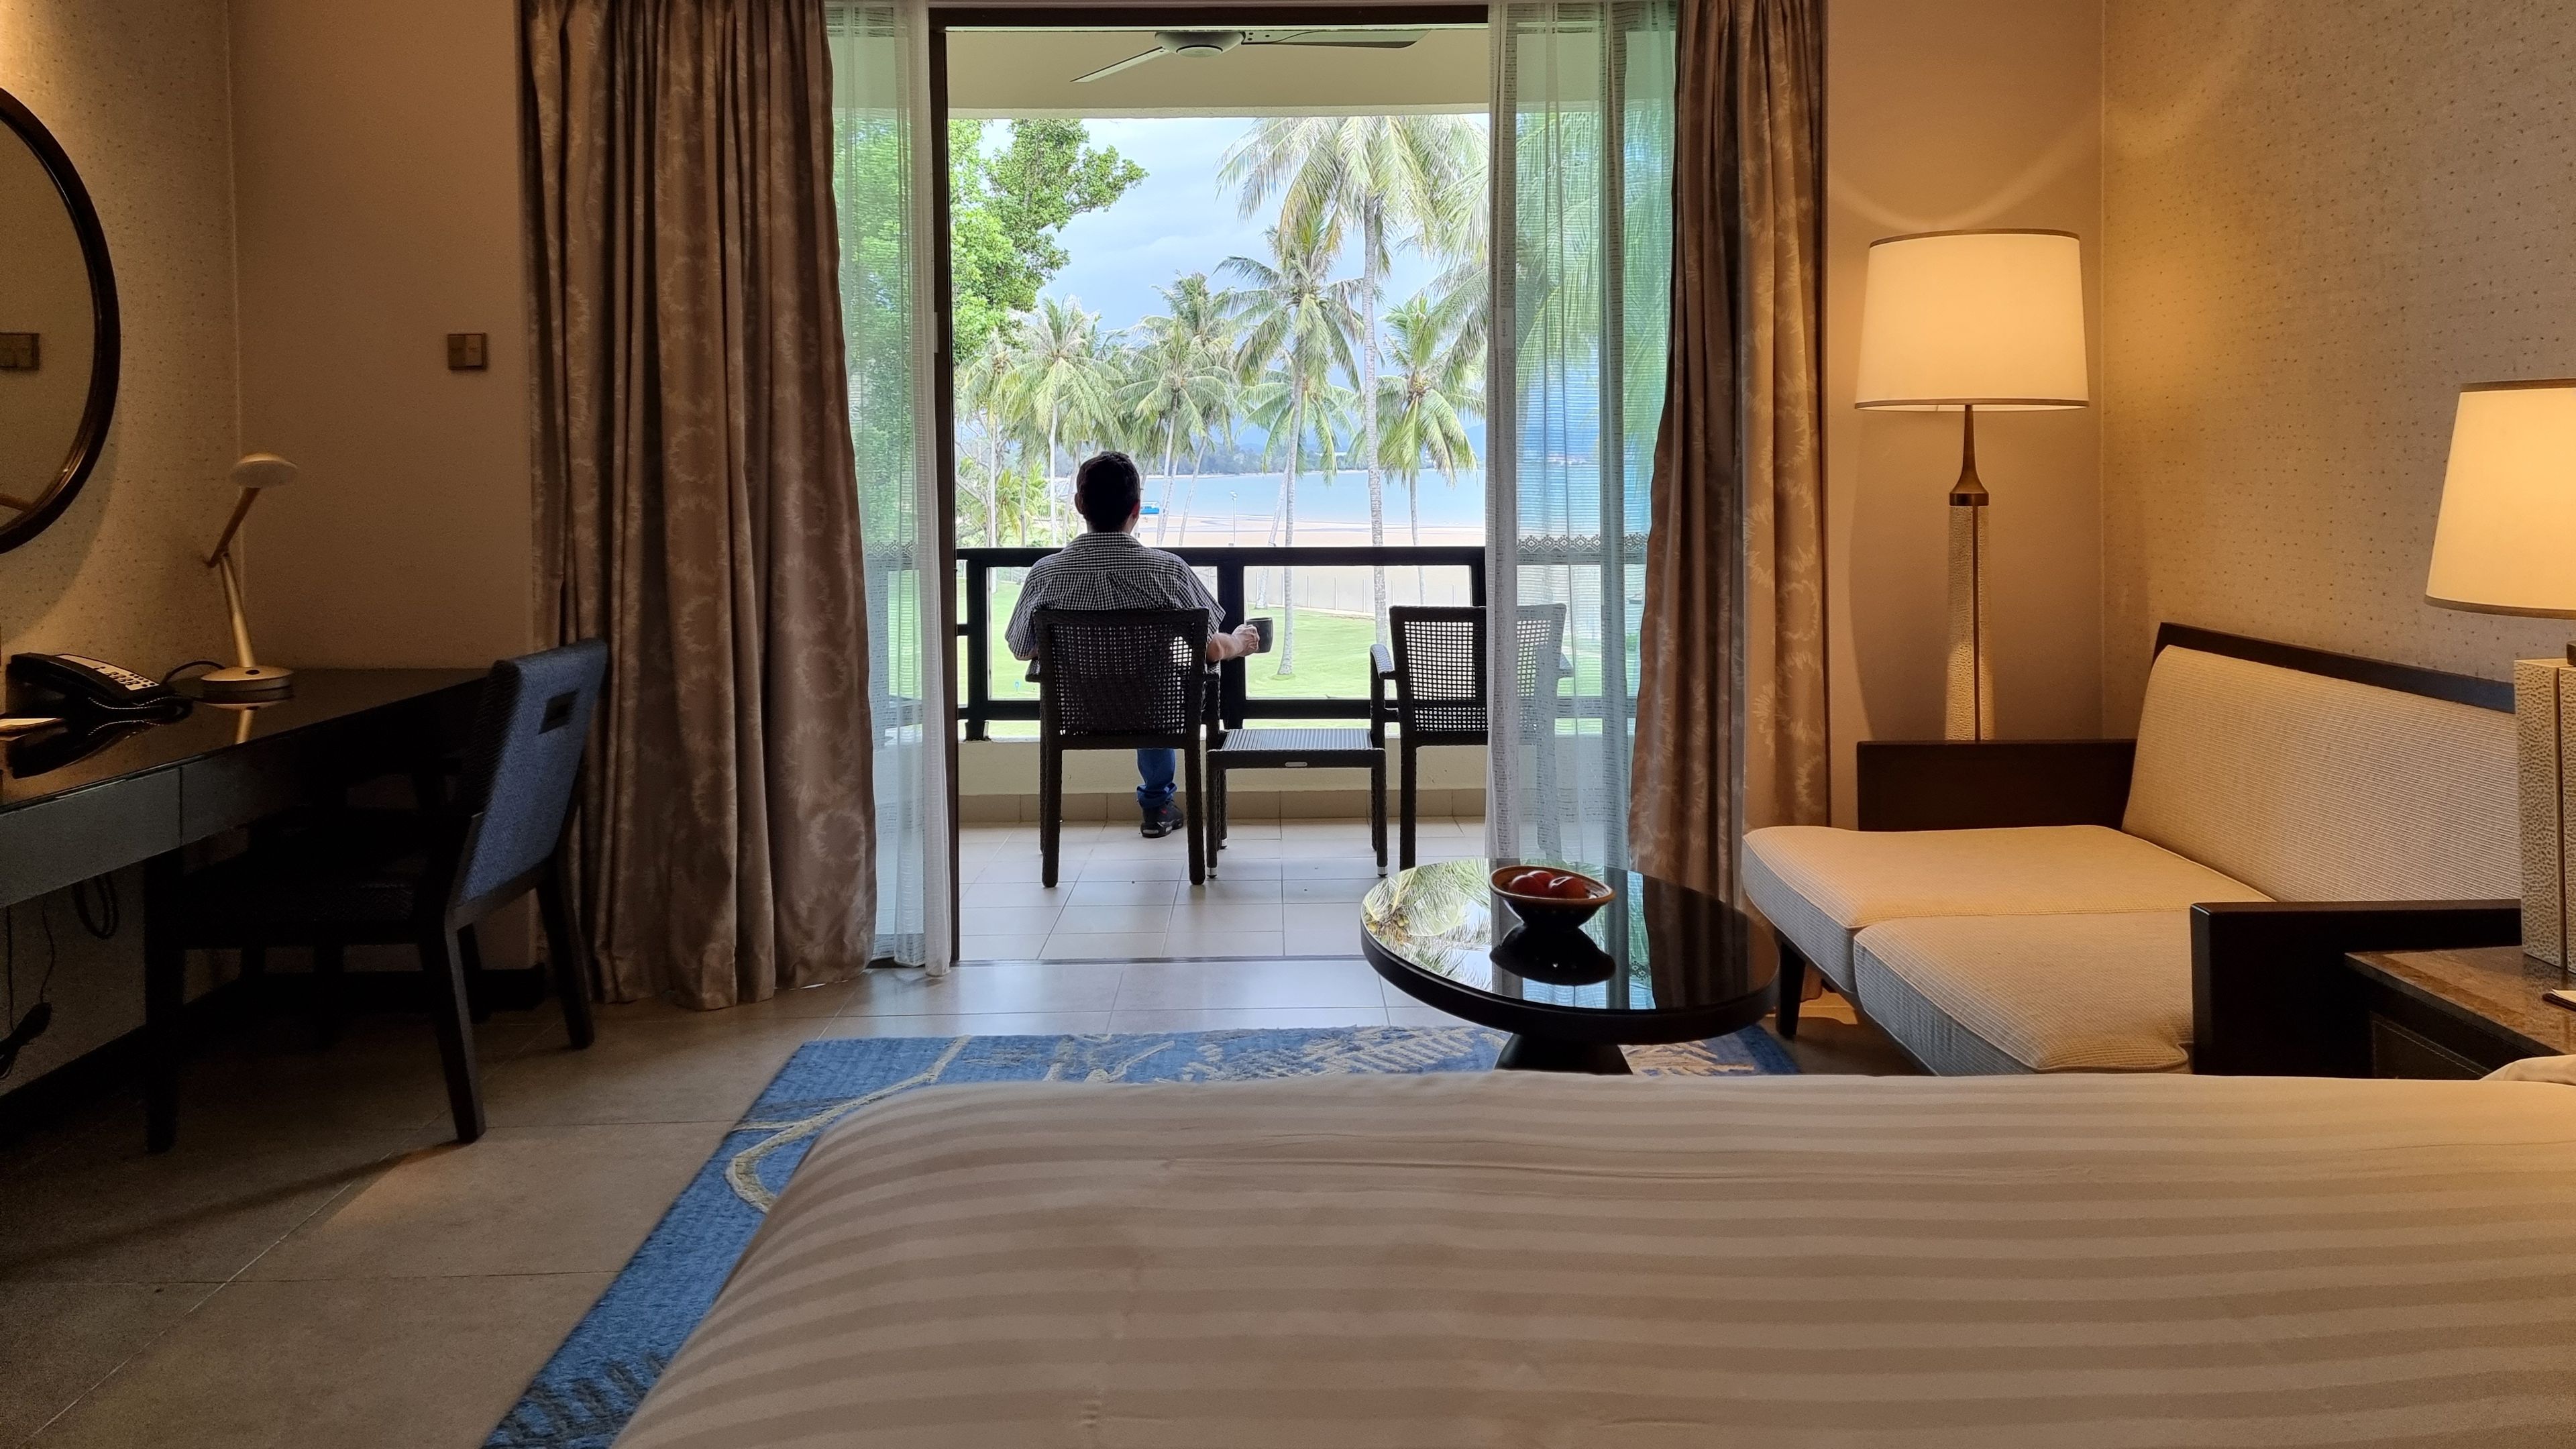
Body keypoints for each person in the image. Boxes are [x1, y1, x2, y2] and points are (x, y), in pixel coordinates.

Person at [1005, 451, 1263, 838]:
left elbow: (1022, 648)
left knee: (1147, 687)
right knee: (1157, 687)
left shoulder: (1047, 573)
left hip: (1075, 712)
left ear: (1079, 504)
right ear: (1137, 509)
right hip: (1156, 713)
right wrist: (1240, 642)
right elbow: (1209, 649)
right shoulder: (1167, 571)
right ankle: (1157, 805)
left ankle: (1060, 847)